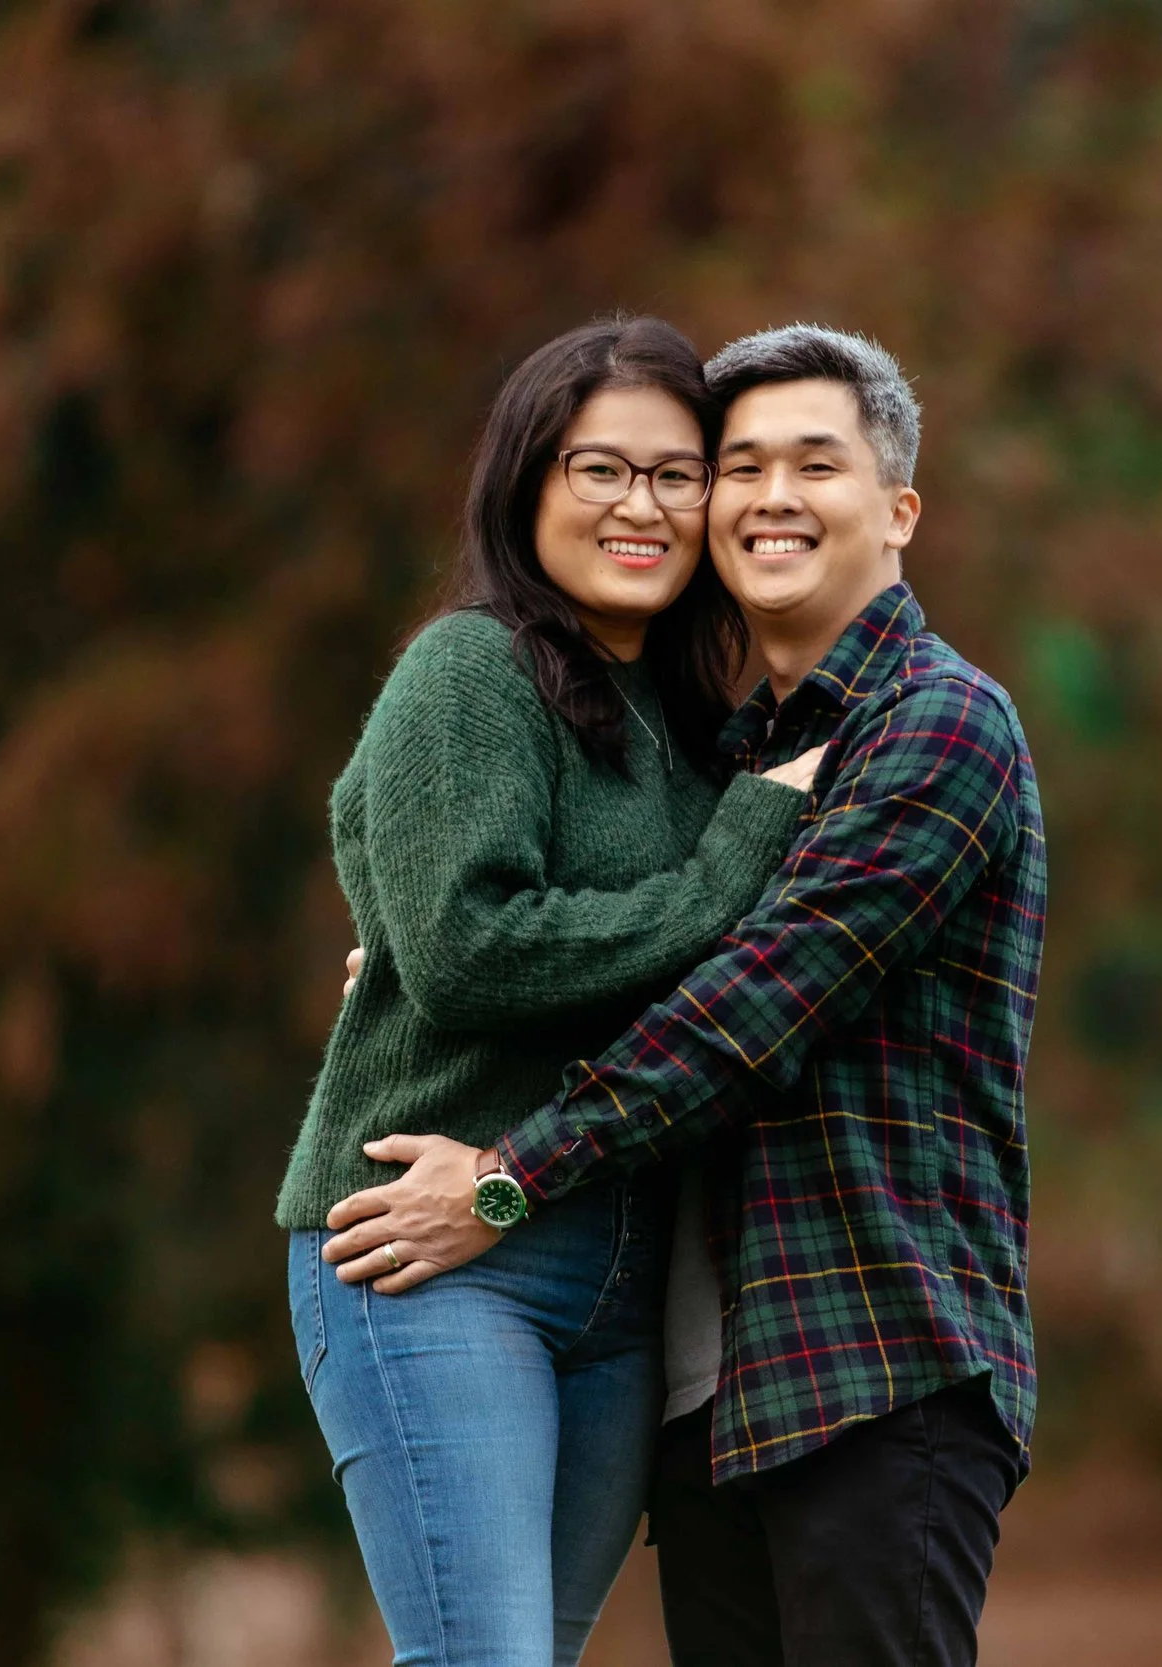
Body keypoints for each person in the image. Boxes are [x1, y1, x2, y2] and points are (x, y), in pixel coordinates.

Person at [325, 325, 1049, 1667]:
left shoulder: (936, 727)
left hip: (876, 1365)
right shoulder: (728, 750)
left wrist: (499, 1179)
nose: (767, 496)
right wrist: (424, 972)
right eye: (743, 465)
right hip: (716, 1392)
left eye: (814, 464)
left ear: (897, 509)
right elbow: (528, 929)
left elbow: (739, 1017)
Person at [272, 314, 826, 1667]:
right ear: (528, 484)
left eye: (675, 475)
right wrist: (728, 873)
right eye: (600, 469)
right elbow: (469, 952)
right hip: (429, 1250)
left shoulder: (692, 724)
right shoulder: (472, 672)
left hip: (620, 1284)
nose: (642, 506)